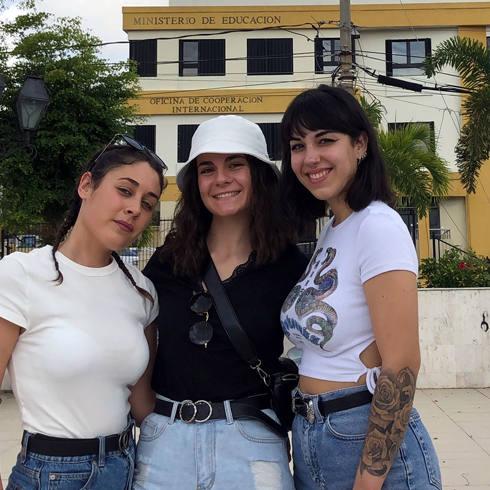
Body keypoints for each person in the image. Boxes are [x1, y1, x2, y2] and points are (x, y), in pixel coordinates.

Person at [132, 115, 308, 490]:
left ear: (258, 175)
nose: (221, 179)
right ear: (196, 183)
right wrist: (154, 423)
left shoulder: (288, 264)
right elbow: (137, 347)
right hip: (166, 444)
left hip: (251, 442)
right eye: (207, 169)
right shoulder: (167, 261)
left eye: (236, 165)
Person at [279, 85, 442, 490]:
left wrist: (368, 480)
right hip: (316, 432)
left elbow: (401, 365)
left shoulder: (378, 226)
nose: (310, 157)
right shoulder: (334, 229)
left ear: (360, 145)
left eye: (326, 140)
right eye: (298, 145)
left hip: (361, 438)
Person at [0, 135, 167, 490]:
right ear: (86, 185)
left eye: (148, 203)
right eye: (125, 190)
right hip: (50, 474)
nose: (135, 208)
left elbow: (141, 403)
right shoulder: (21, 274)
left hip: (126, 466)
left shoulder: (142, 291)